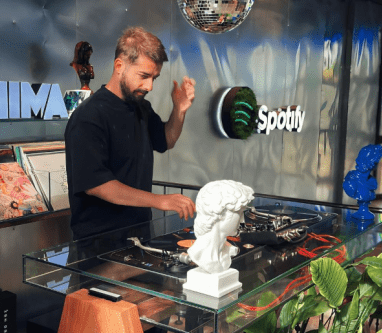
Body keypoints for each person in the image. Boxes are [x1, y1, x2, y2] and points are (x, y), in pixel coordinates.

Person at [65, 27, 197, 240]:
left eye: (154, 78)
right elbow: (97, 184)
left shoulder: (141, 107)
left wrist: (179, 110)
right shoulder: (88, 116)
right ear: (119, 66)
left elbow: (166, 140)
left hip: (140, 235)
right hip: (99, 243)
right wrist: (159, 200)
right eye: (144, 76)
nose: (149, 86)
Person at [187, 180, 254, 274]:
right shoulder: (200, 254)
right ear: (220, 214)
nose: (242, 220)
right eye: (239, 212)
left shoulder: (225, 253)